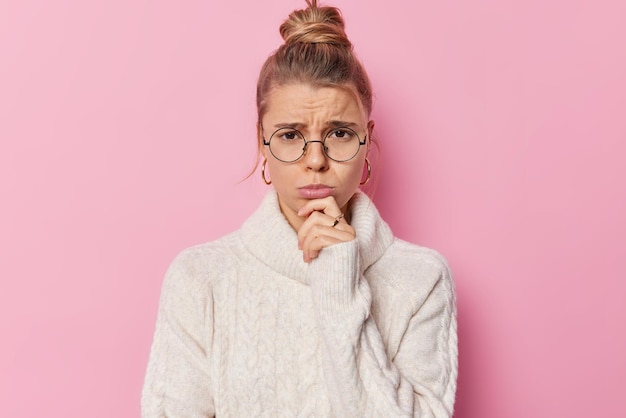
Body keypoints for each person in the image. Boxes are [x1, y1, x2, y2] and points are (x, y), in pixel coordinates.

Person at [141, 1, 457, 416]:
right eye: (290, 135)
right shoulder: (200, 279)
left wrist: (340, 288)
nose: (315, 160)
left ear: (367, 140)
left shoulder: (422, 280)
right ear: (261, 141)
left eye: (339, 133)